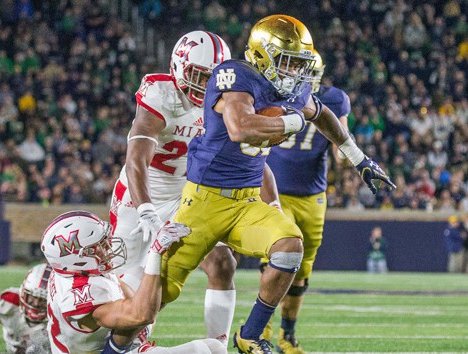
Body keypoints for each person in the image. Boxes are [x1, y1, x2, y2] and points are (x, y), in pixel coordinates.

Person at [161, 14, 396, 354]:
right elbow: (240, 128)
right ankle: (115, 343)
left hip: (246, 199)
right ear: (262, 54)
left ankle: (250, 334)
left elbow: (323, 114)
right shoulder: (235, 74)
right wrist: (292, 119)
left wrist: (359, 158)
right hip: (204, 199)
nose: (295, 72)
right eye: (287, 62)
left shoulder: (297, 89)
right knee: (160, 289)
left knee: (290, 248)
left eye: (300, 65)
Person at [109, 30, 237, 345]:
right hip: (139, 197)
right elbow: (136, 160)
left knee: (223, 263)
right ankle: (118, 345)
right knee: (121, 290)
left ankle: (217, 346)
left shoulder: (227, 101)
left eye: (211, 78)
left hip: (186, 198)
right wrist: (146, 210)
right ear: (178, 65)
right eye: (197, 74)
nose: (203, 84)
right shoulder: (159, 93)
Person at [256, 49, 351, 353]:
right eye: (296, 68)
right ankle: (260, 330)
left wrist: (349, 155)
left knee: (303, 268)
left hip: (312, 195)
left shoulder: (334, 99)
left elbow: (341, 144)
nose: (302, 75)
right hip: (276, 190)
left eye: (306, 70)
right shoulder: (271, 92)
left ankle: (288, 335)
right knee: (272, 261)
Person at [41, 210, 225, 354]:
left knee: (214, 348)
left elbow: (132, 304)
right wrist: (155, 252)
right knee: (214, 350)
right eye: (99, 245)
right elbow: (141, 315)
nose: (108, 247)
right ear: (77, 258)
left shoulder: (74, 272)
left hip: (102, 346)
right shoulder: (78, 295)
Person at [0, 263, 52, 354]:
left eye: (43, 299)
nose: (36, 304)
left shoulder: (61, 315)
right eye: (32, 296)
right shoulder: (10, 302)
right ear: (23, 292)